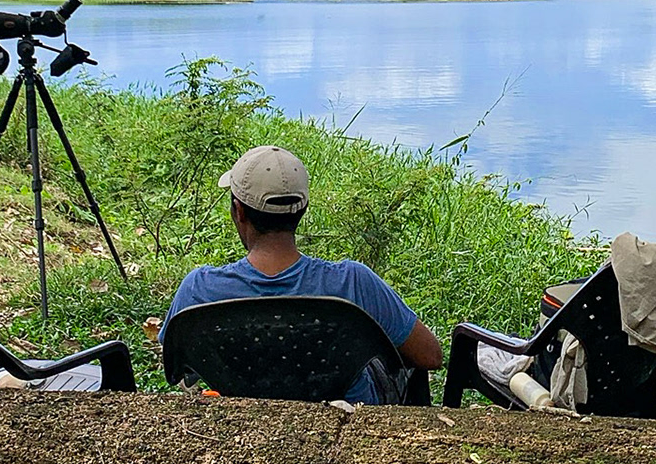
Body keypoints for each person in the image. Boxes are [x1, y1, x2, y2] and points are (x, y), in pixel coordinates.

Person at [160, 146, 443, 402]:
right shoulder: (354, 282)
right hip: (350, 415)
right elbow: (429, 355)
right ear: (302, 210)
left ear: (239, 212)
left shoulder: (199, 289)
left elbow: (175, 367)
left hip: (245, 416)